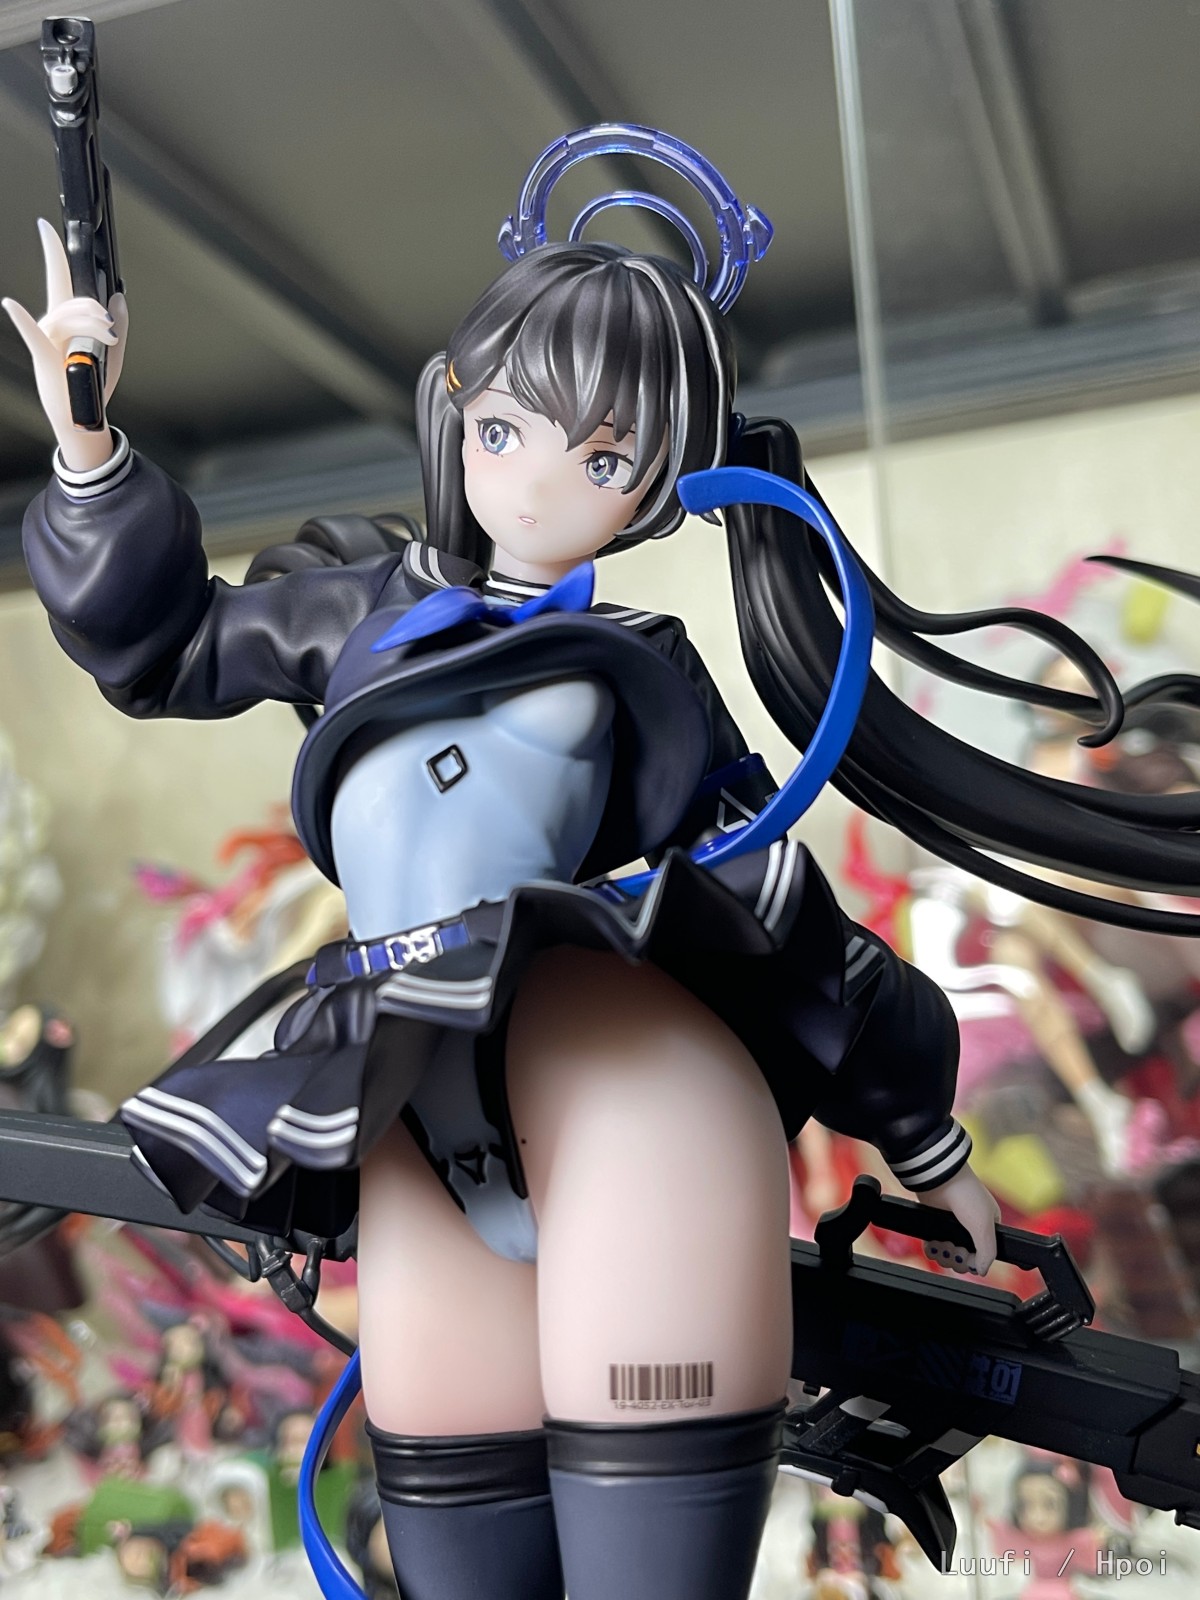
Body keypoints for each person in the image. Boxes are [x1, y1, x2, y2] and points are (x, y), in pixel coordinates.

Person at [6, 123, 1200, 1600]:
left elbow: (769, 893)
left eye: (606, 455)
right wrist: (90, 445)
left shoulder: (641, 667)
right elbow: (167, 645)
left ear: (649, 494)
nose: (536, 481)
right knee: (460, 1549)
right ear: (457, 403)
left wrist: (920, 1130)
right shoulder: (352, 609)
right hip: (411, 1107)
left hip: (622, 1096)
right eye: (510, 427)